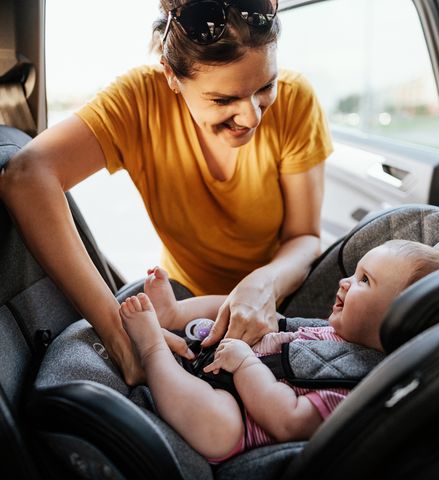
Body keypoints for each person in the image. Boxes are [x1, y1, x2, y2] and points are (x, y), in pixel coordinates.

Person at [0, 0, 333, 385]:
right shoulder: (139, 101)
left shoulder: (296, 100)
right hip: (183, 299)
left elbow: (304, 238)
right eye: (223, 100)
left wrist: (264, 283)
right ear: (172, 76)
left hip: (279, 294)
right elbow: (26, 176)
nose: (252, 116)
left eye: (265, 88)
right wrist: (120, 338)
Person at [120, 240, 439, 462]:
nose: (345, 282)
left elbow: (289, 420)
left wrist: (245, 366)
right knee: (258, 311)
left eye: (364, 281)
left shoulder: (359, 385)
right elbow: (282, 331)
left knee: (219, 429)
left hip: (243, 421)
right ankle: (175, 314)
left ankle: (151, 350)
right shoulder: (334, 332)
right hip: (228, 359)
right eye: (354, 274)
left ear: (396, 321)